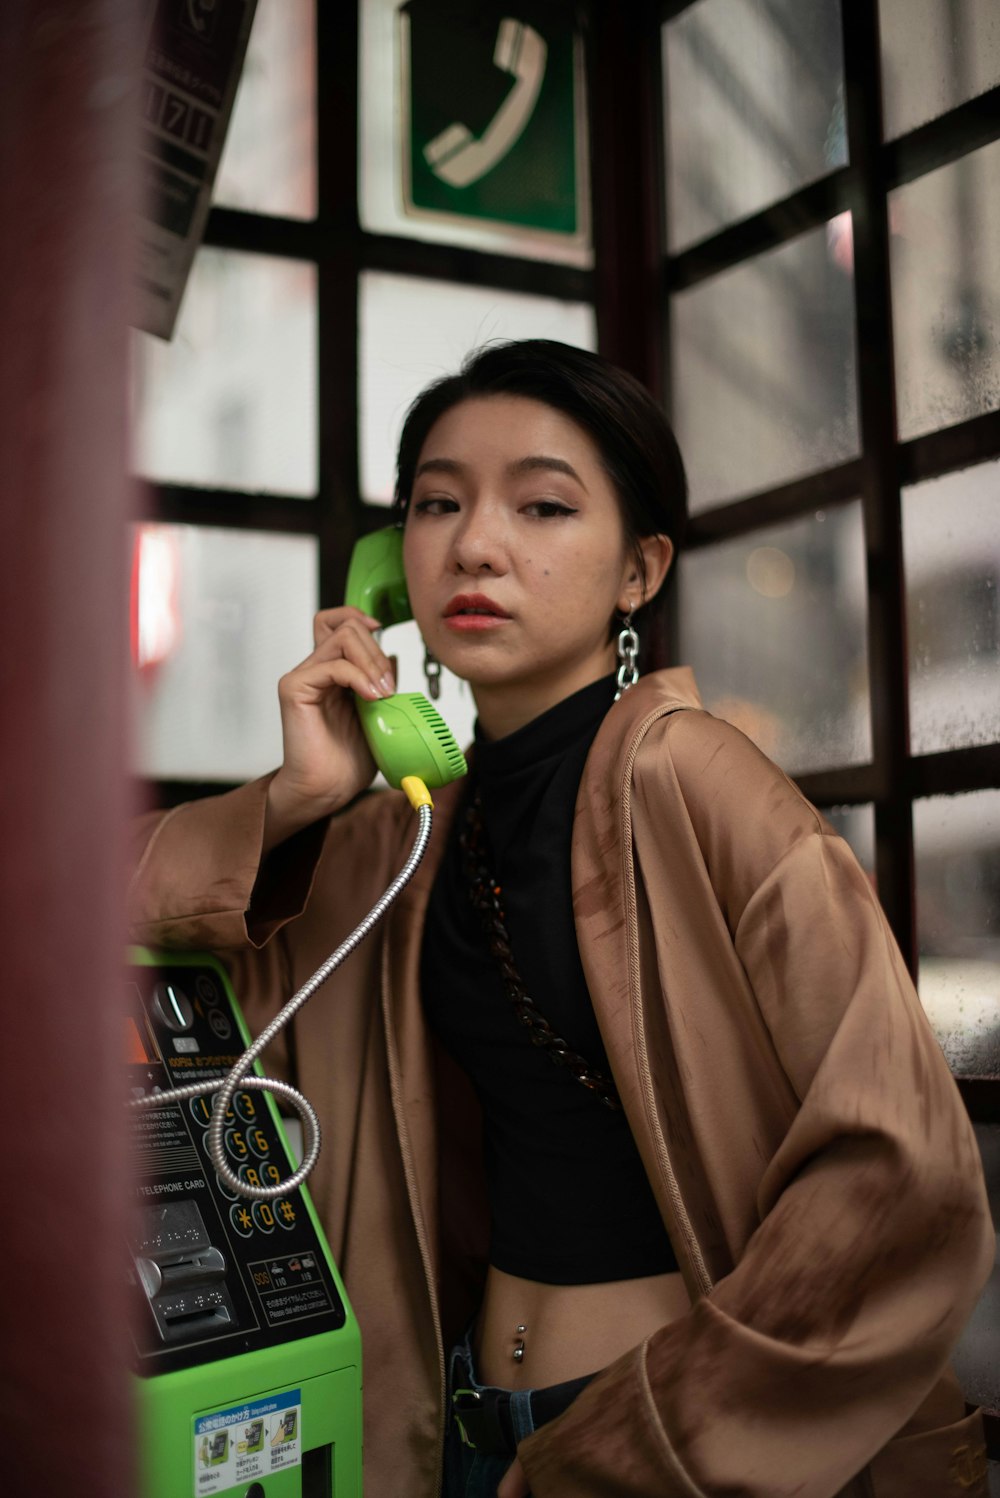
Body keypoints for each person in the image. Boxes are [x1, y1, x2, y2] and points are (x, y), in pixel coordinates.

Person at [129, 340, 993, 1498]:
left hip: (672, 1448)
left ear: (639, 571)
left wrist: (644, 1445)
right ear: (389, 562)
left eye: (541, 505)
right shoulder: (403, 843)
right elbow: (109, 932)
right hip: (462, 1430)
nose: (475, 543)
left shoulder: (699, 783)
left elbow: (899, 1185)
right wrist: (301, 796)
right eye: (437, 503)